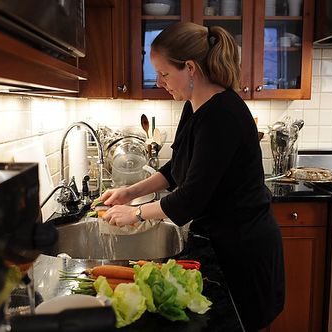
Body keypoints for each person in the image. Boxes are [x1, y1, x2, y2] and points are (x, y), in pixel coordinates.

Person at [99, 22, 285, 331]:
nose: (159, 82)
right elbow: (176, 169)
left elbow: (190, 199)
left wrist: (135, 214)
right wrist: (129, 192)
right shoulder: (194, 106)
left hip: (242, 251)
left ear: (190, 68)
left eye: (164, 73)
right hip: (220, 240)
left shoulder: (222, 115)